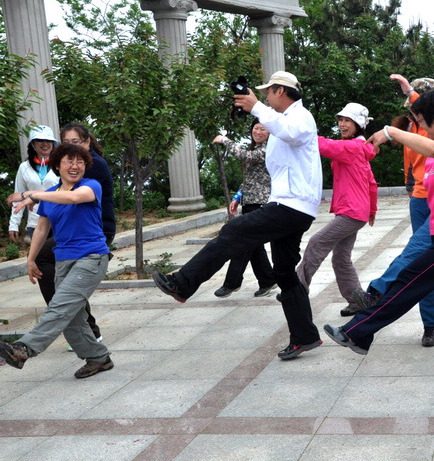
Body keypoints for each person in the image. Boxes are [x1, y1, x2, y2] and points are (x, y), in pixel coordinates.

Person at [325, 88, 434, 394]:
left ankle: (359, 332)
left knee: (408, 280)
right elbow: (430, 149)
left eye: (424, 123)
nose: (422, 128)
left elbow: (433, 148)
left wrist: (392, 132)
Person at [153, 71, 324, 361]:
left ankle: (182, 284)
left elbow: (291, 131)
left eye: (268, 92)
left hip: (292, 206)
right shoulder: (284, 119)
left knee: (233, 232)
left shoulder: (301, 116)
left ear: (280, 91)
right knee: (283, 272)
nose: (266, 98)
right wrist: (255, 109)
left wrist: (257, 107)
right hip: (293, 205)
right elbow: (280, 135)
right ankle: (305, 336)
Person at [1, 143, 114, 378]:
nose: (75, 166)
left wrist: (32, 194)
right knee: (72, 316)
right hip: (63, 260)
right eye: (69, 161)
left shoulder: (90, 186)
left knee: (60, 306)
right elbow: (42, 229)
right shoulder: (50, 195)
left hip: (92, 257)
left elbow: (73, 199)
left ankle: (24, 348)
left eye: (80, 162)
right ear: (57, 165)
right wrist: (31, 260)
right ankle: (98, 358)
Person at [370, 74, 434, 347]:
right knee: (424, 262)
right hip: (419, 199)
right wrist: (410, 186)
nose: (415, 109)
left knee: (418, 255)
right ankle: (431, 323)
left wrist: (411, 91)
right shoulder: (413, 126)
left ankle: (376, 291)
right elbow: (410, 161)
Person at [35, 123, 115, 344]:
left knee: (65, 283)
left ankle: (79, 326)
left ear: (87, 143)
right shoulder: (71, 164)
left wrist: (33, 194)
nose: (73, 160)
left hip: (97, 230)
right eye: (66, 144)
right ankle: (78, 325)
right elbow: (49, 216)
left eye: (76, 143)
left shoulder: (93, 166)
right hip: (74, 231)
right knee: (49, 266)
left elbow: (73, 197)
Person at [296, 103, 378, 315]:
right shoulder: (358, 147)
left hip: (352, 211)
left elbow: (322, 146)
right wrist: (371, 210)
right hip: (354, 211)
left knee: (316, 242)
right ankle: (358, 301)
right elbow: (371, 182)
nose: (342, 124)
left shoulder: (352, 147)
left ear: (358, 125)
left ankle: (296, 288)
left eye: (347, 120)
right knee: (341, 259)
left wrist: (292, 131)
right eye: (340, 120)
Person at [211, 118, 278, 298]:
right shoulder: (255, 148)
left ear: (270, 133)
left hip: (261, 203)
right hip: (250, 202)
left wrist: (225, 140)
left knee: (244, 241)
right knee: (253, 245)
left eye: (263, 129)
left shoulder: (266, 149)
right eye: (256, 128)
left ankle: (231, 283)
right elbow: (250, 179)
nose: (258, 132)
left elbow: (244, 156)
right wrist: (238, 197)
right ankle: (267, 280)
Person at [8, 125, 59, 242]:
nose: (45, 144)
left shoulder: (61, 164)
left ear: (53, 143)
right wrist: (14, 224)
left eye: (48, 140)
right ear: (33, 143)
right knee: (40, 259)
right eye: (40, 140)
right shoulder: (24, 167)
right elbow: (18, 195)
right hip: (35, 223)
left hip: (59, 220)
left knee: (61, 258)